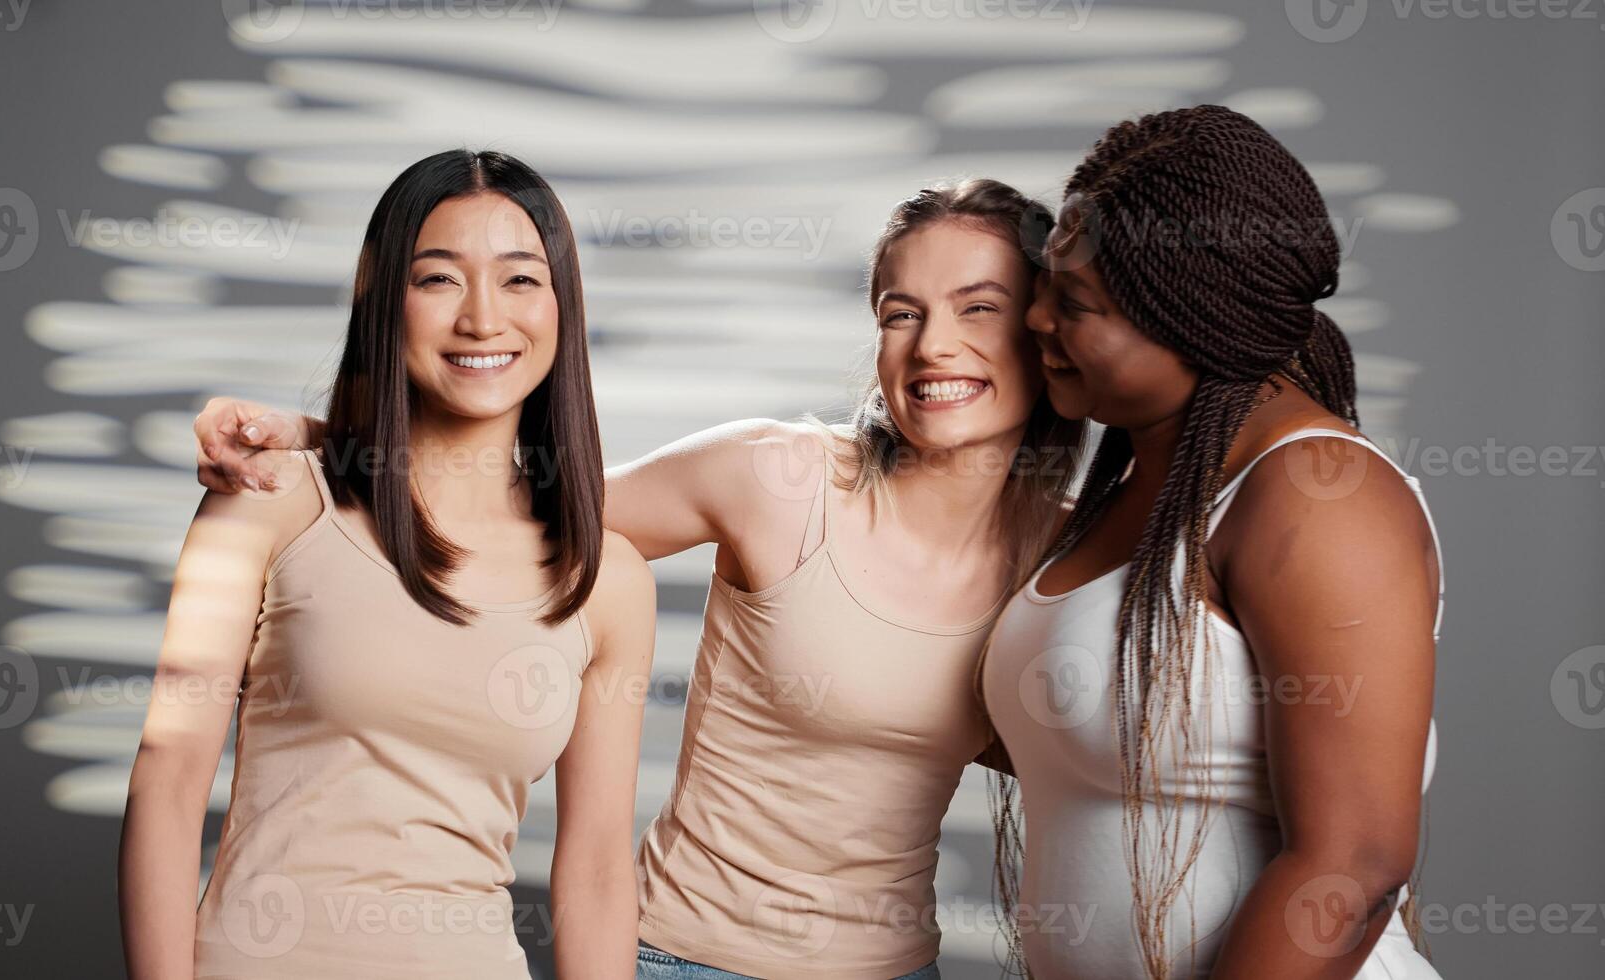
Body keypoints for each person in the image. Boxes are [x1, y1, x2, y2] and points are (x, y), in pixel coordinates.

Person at [190, 178, 1085, 978]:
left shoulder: (1068, 564)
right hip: (686, 960)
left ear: (1045, 330)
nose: (935, 346)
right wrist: (321, 442)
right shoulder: (779, 480)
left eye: (978, 309)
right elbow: (518, 507)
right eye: (900, 312)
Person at [118, 149, 656, 979]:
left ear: (562, 307)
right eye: (439, 279)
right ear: (384, 302)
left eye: (520, 280)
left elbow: (593, 875)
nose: (483, 318)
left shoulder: (607, 581)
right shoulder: (268, 500)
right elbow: (168, 776)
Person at [978, 105, 1443, 979]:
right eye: (1046, 284)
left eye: (1073, 303)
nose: (1035, 319)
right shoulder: (1132, 492)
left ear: (1192, 323)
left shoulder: (1314, 502)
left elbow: (1355, 863)